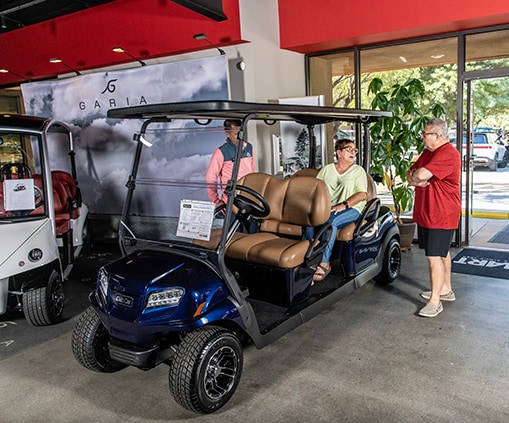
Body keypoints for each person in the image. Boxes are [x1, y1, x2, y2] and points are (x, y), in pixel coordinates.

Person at [406, 118, 461, 318]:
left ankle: (435, 301)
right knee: (442, 252)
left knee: (433, 257)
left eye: (425, 134)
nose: (422, 137)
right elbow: (410, 173)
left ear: (437, 136)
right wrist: (415, 177)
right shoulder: (429, 153)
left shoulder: (447, 154)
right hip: (428, 213)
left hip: (441, 214)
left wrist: (417, 177)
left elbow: (420, 174)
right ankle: (445, 289)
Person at [312, 138, 368, 282]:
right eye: (349, 149)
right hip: (328, 208)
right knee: (309, 221)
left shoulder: (358, 171)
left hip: (352, 208)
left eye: (354, 150)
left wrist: (344, 205)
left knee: (331, 222)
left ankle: (325, 263)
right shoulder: (327, 170)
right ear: (339, 152)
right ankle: (308, 258)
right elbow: (315, 189)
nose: (353, 153)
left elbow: (362, 194)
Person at [206, 119, 256, 208]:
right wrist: (216, 201)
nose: (240, 137)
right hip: (231, 201)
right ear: (227, 133)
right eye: (237, 134)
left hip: (249, 199)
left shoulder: (249, 147)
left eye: (242, 133)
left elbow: (253, 172)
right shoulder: (221, 151)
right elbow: (210, 178)